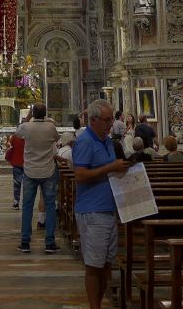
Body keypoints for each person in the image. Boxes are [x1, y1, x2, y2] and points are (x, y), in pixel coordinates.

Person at [72, 99, 131, 309]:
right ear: (93, 120)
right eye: (106, 120)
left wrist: (119, 169)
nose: (110, 124)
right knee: (94, 265)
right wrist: (110, 168)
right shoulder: (85, 141)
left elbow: (106, 168)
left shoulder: (105, 140)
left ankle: (100, 303)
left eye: (111, 119)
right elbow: (79, 175)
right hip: (92, 210)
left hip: (107, 209)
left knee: (106, 263)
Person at [15, 103, 60, 254]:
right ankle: (50, 242)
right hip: (48, 170)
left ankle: (25, 242)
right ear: (45, 114)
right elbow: (56, 138)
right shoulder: (50, 127)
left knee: (27, 206)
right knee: (50, 206)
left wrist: (27, 118)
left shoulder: (27, 127)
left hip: (30, 171)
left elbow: (17, 133)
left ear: (32, 113)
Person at [5, 128, 26, 209]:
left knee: (17, 183)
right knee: (27, 184)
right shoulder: (29, 137)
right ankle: (26, 202)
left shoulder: (15, 137)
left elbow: (10, 146)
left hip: (17, 162)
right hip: (27, 163)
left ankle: (16, 202)